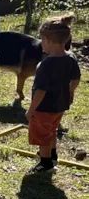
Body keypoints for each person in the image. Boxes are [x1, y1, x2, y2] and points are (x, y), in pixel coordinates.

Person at [26, 17, 81, 172]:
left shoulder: (45, 65)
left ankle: (45, 163)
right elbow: (76, 79)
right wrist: (70, 92)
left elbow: (40, 91)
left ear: (47, 40)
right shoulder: (71, 57)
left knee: (43, 135)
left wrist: (31, 110)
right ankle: (53, 154)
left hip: (44, 107)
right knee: (52, 129)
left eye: (41, 39)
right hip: (60, 104)